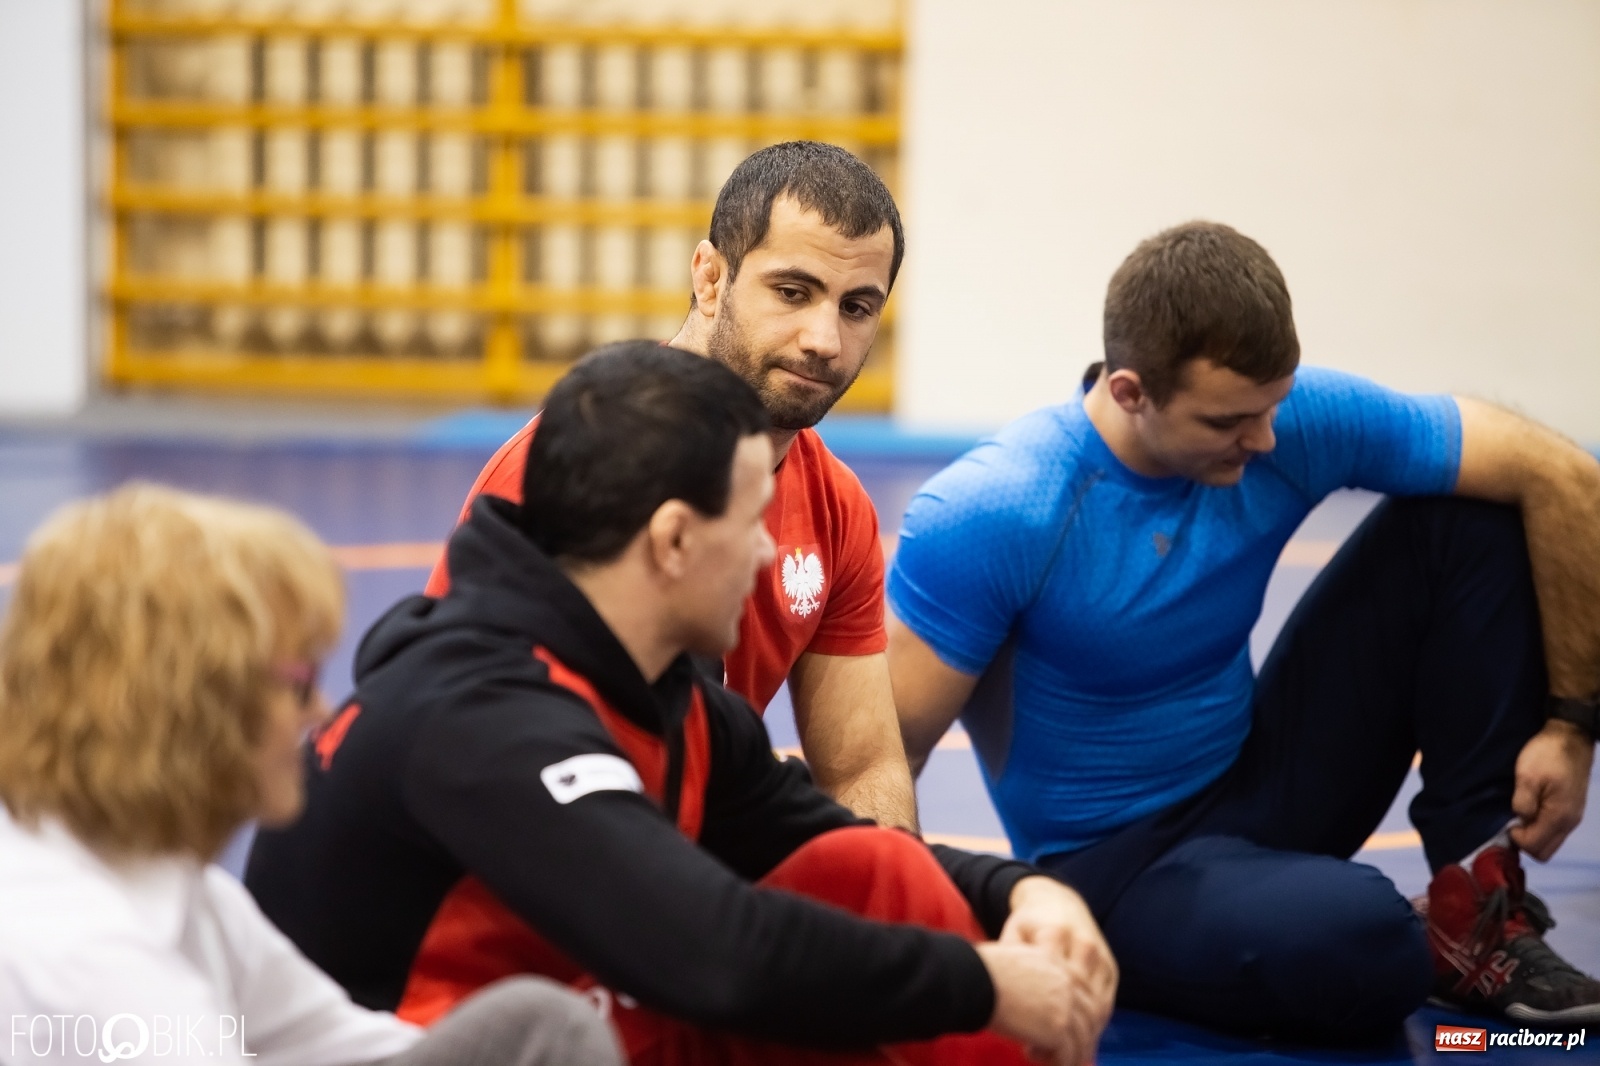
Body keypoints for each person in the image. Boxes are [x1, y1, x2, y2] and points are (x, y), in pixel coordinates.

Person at [246, 343, 1118, 1066]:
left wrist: (1021, 895)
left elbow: (831, 839)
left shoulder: (661, 691)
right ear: (672, 540)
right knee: (594, 1021)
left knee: (869, 872)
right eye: (752, 522)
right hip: (422, 1044)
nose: (769, 552)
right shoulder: (488, 717)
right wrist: (983, 984)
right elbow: (710, 950)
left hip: (562, 1011)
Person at [886, 221, 1600, 1041]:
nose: (1262, 441)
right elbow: (882, 754)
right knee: (1367, 941)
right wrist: (912, 967)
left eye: (1272, 408)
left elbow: (1563, 475)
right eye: (1228, 421)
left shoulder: (1278, 423)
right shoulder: (1000, 508)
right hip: (1115, 864)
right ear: (1131, 393)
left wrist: (1572, 725)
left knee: (1471, 517)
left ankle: (1474, 907)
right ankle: (1350, 934)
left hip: (1259, 774)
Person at [0, 484, 624, 1066]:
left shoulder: (182, 892)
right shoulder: (89, 963)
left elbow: (354, 1048)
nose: (321, 712)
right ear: (199, 703)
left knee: (541, 1031)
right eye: (300, 684)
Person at [424, 141, 916, 830]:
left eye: (857, 307)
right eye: (792, 292)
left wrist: (901, 890)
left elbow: (862, 769)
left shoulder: (836, 506)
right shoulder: (568, 467)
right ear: (710, 278)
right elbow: (454, 734)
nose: (824, 340)